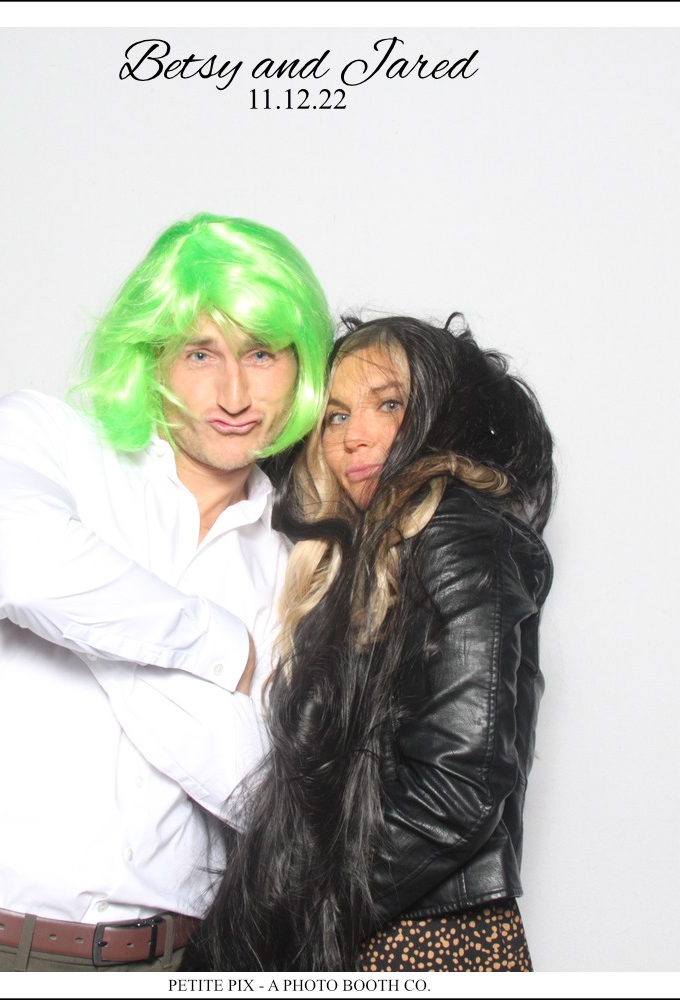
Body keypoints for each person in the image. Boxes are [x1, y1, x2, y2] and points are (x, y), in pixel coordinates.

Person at [0, 213, 333, 971]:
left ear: (300, 367)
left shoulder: (294, 569)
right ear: (152, 358)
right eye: (200, 353)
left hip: (162, 963)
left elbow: (260, 788)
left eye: (261, 354)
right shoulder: (40, 438)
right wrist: (225, 648)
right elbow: (28, 571)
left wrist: (66, 617)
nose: (233, 393)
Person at [181, 315, 555, 972]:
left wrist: (295, 922)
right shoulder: (361, 557)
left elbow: (459, 787)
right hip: (368, 929)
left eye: (388, 404)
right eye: (335, 416)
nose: (354, 435)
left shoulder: (457, 530)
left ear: (438, 416)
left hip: (426, 939)